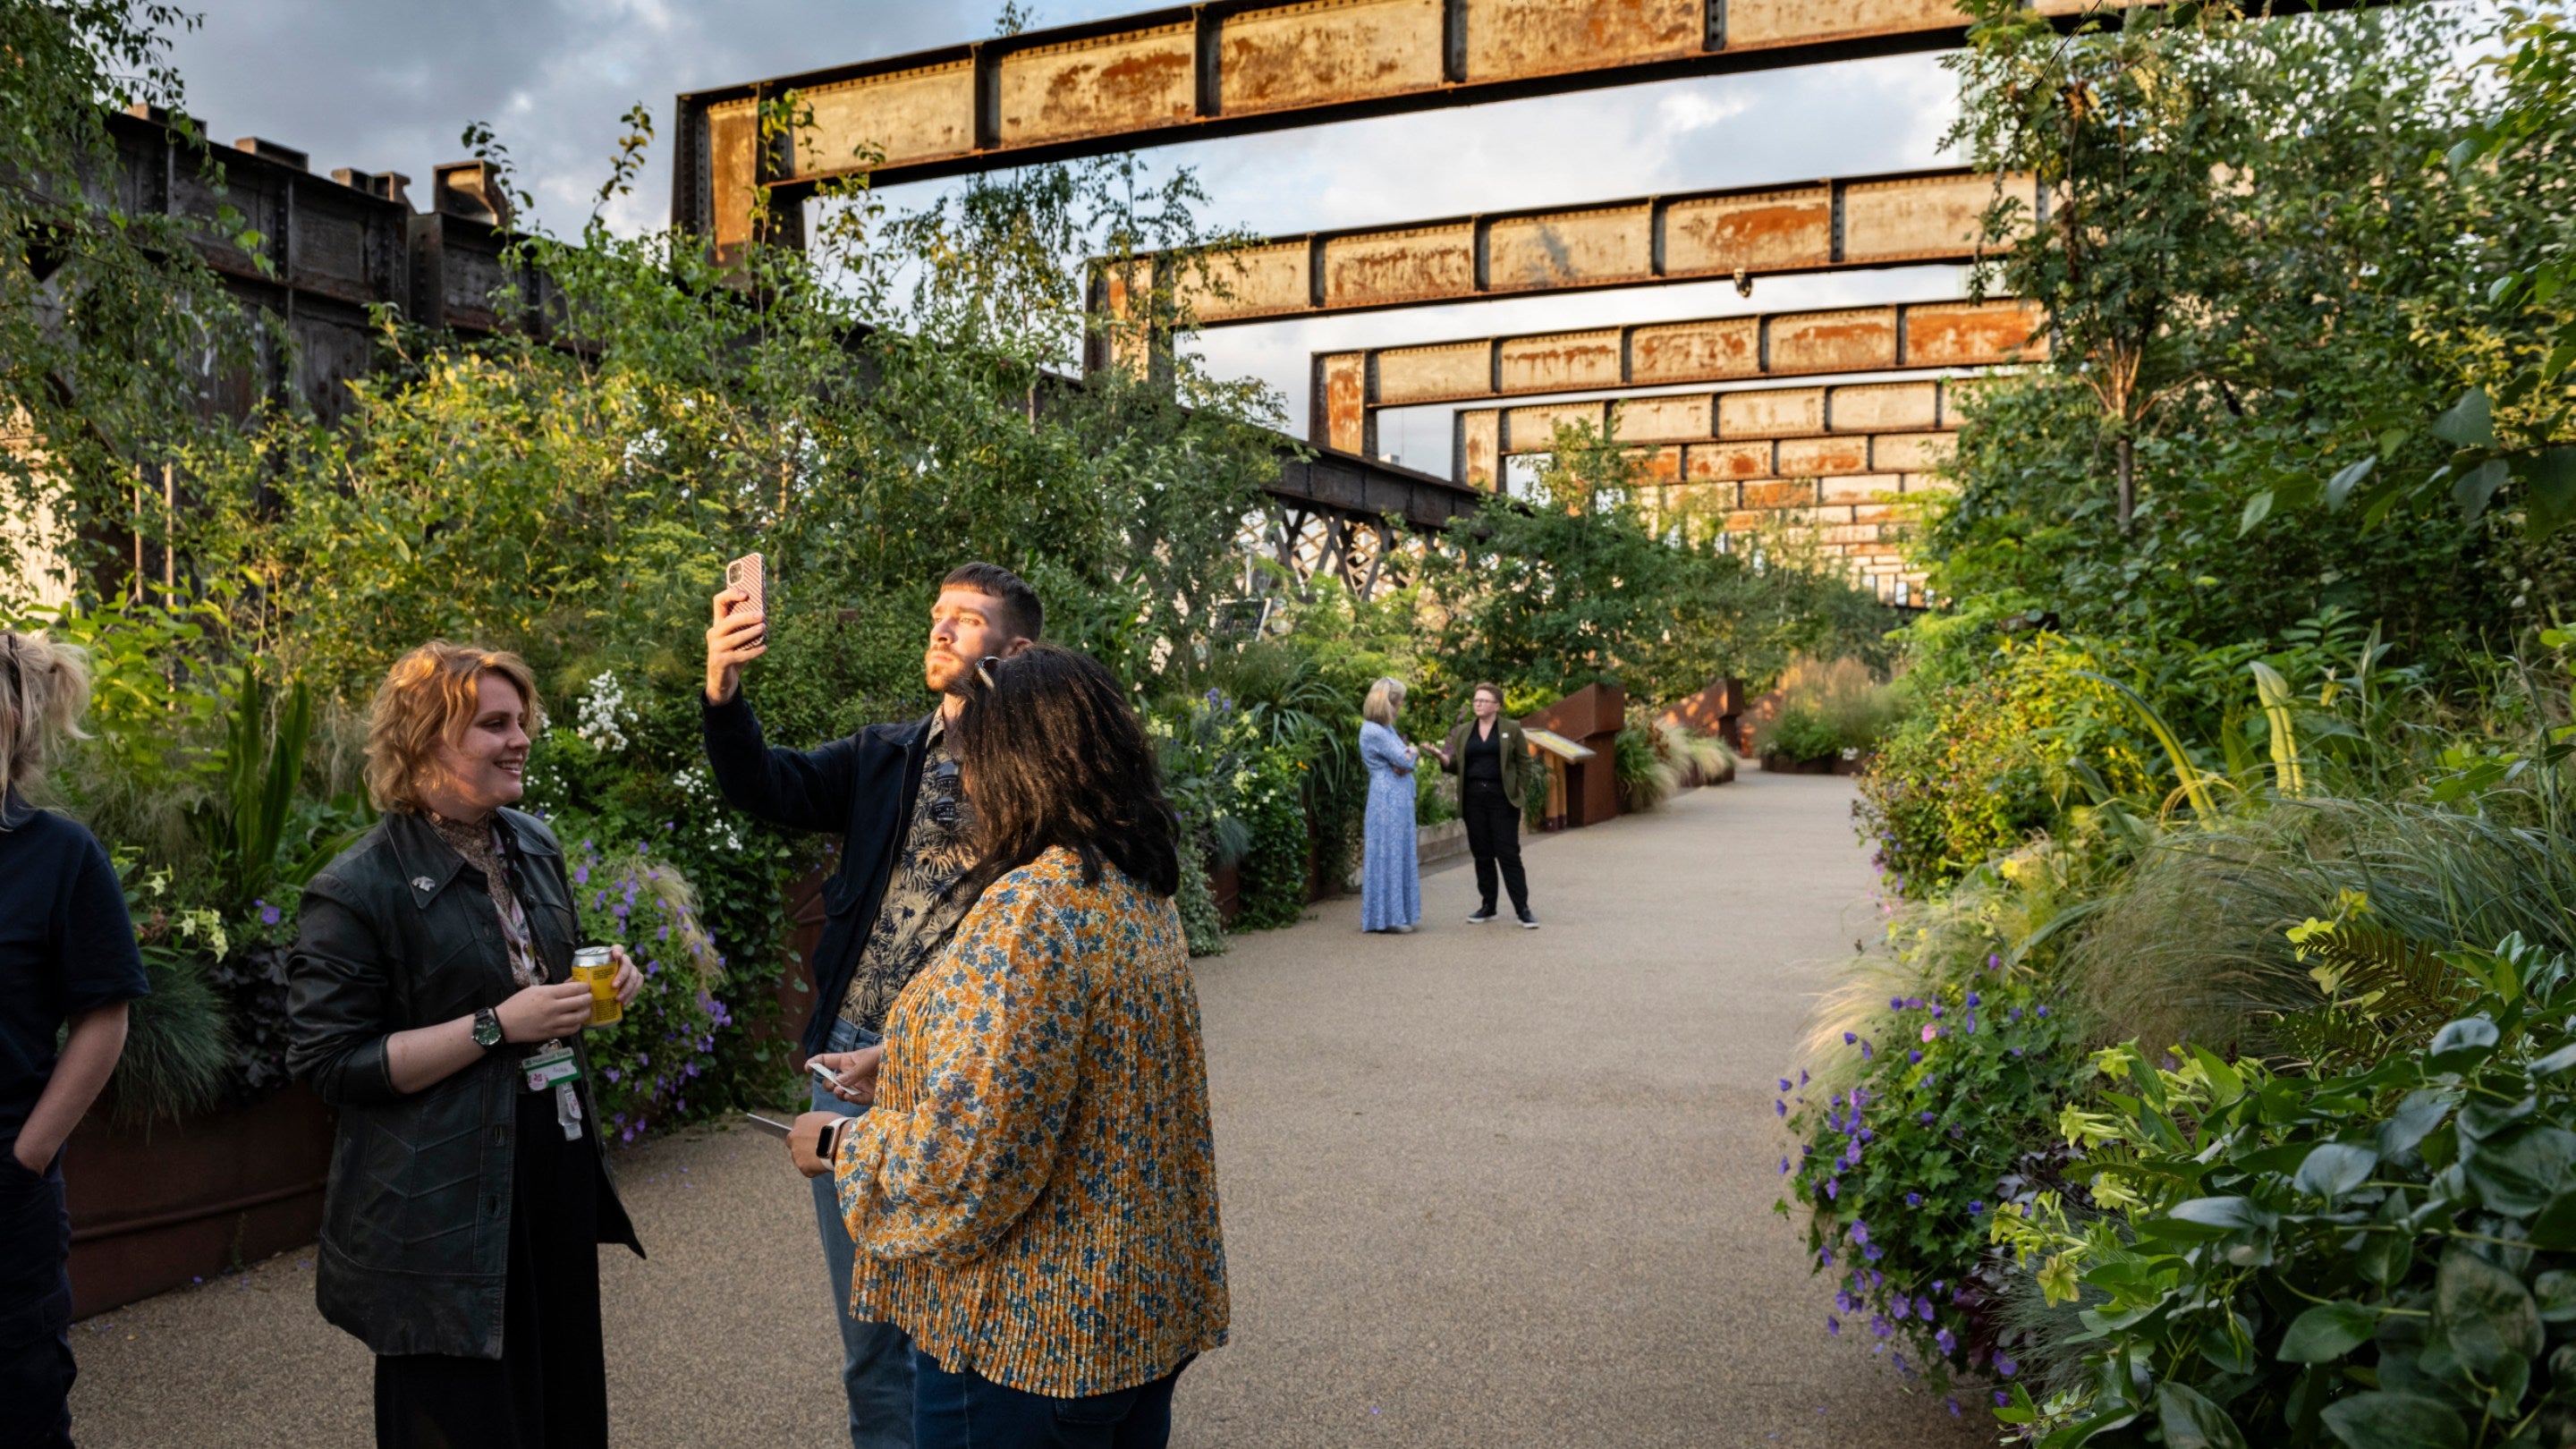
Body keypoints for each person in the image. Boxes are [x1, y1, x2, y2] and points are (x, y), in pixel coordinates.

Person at [783, 644, 1226, 1449]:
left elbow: (970, 1164)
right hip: (1133, 1313)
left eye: (971, 756)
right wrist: (902, 1055)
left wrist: (843, 1143)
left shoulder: (1031, 912)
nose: (962, 778)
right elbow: (1078, 1054)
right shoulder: (1131, 884)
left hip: (1030, 1338)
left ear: (1017, 763)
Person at [700, 560, 1041, 1449]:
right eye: (937, 614)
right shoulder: (880, 757)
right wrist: (723, 688)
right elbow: (763, 786)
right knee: (871, 1334)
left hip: (966, 1072)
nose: (940, 630)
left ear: (1017, 648)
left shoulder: (1045, 786)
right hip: (849, 1064)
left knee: (968, 1314)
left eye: (966, 620)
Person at [286, 641, 645, 1449]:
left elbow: (544, 965)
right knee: (464, 1420)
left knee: (560, 1408)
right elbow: (330, 1064)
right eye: (493, 724)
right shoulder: (356, 888)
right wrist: (495, 1026)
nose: (519, 738)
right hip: (439, 1209)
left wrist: (610, 974)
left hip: (547, 1167)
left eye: (521, 721)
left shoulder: (531, 843)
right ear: (424, 739)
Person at [0, 631, 144, 1449]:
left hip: (4, 1207)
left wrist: (27, 1157)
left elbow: (104, 1013)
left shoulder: (59, 856)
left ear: (14, 715)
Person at [1420, 682, 1539, 928]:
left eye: (1484, 700)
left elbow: (1524, 762)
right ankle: (1489, 906)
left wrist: (1519, 790)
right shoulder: (1464, 730)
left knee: (1508, 853)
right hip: (1474, 799)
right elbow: (1456, 765)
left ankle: (1522, 909)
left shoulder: (1511, 728)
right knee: (1482, 854)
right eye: (1476, 700)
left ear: (1497, 705)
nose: (1478, 704)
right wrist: (1441, 757)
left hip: (1502, 798)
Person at [1358, 676, 1423, 934]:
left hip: (1396, 795)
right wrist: (1412, 752)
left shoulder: (1386, 729)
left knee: (1398, 851)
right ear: (1390, 703)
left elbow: (1403, 761)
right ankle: (1388, 918)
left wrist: (1408, 756)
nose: (1401, 708)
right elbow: (1405, 760)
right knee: (1389, 852)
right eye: (1400, 703)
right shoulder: (1374, 731)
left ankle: (1396, 915)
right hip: (1387, 797)